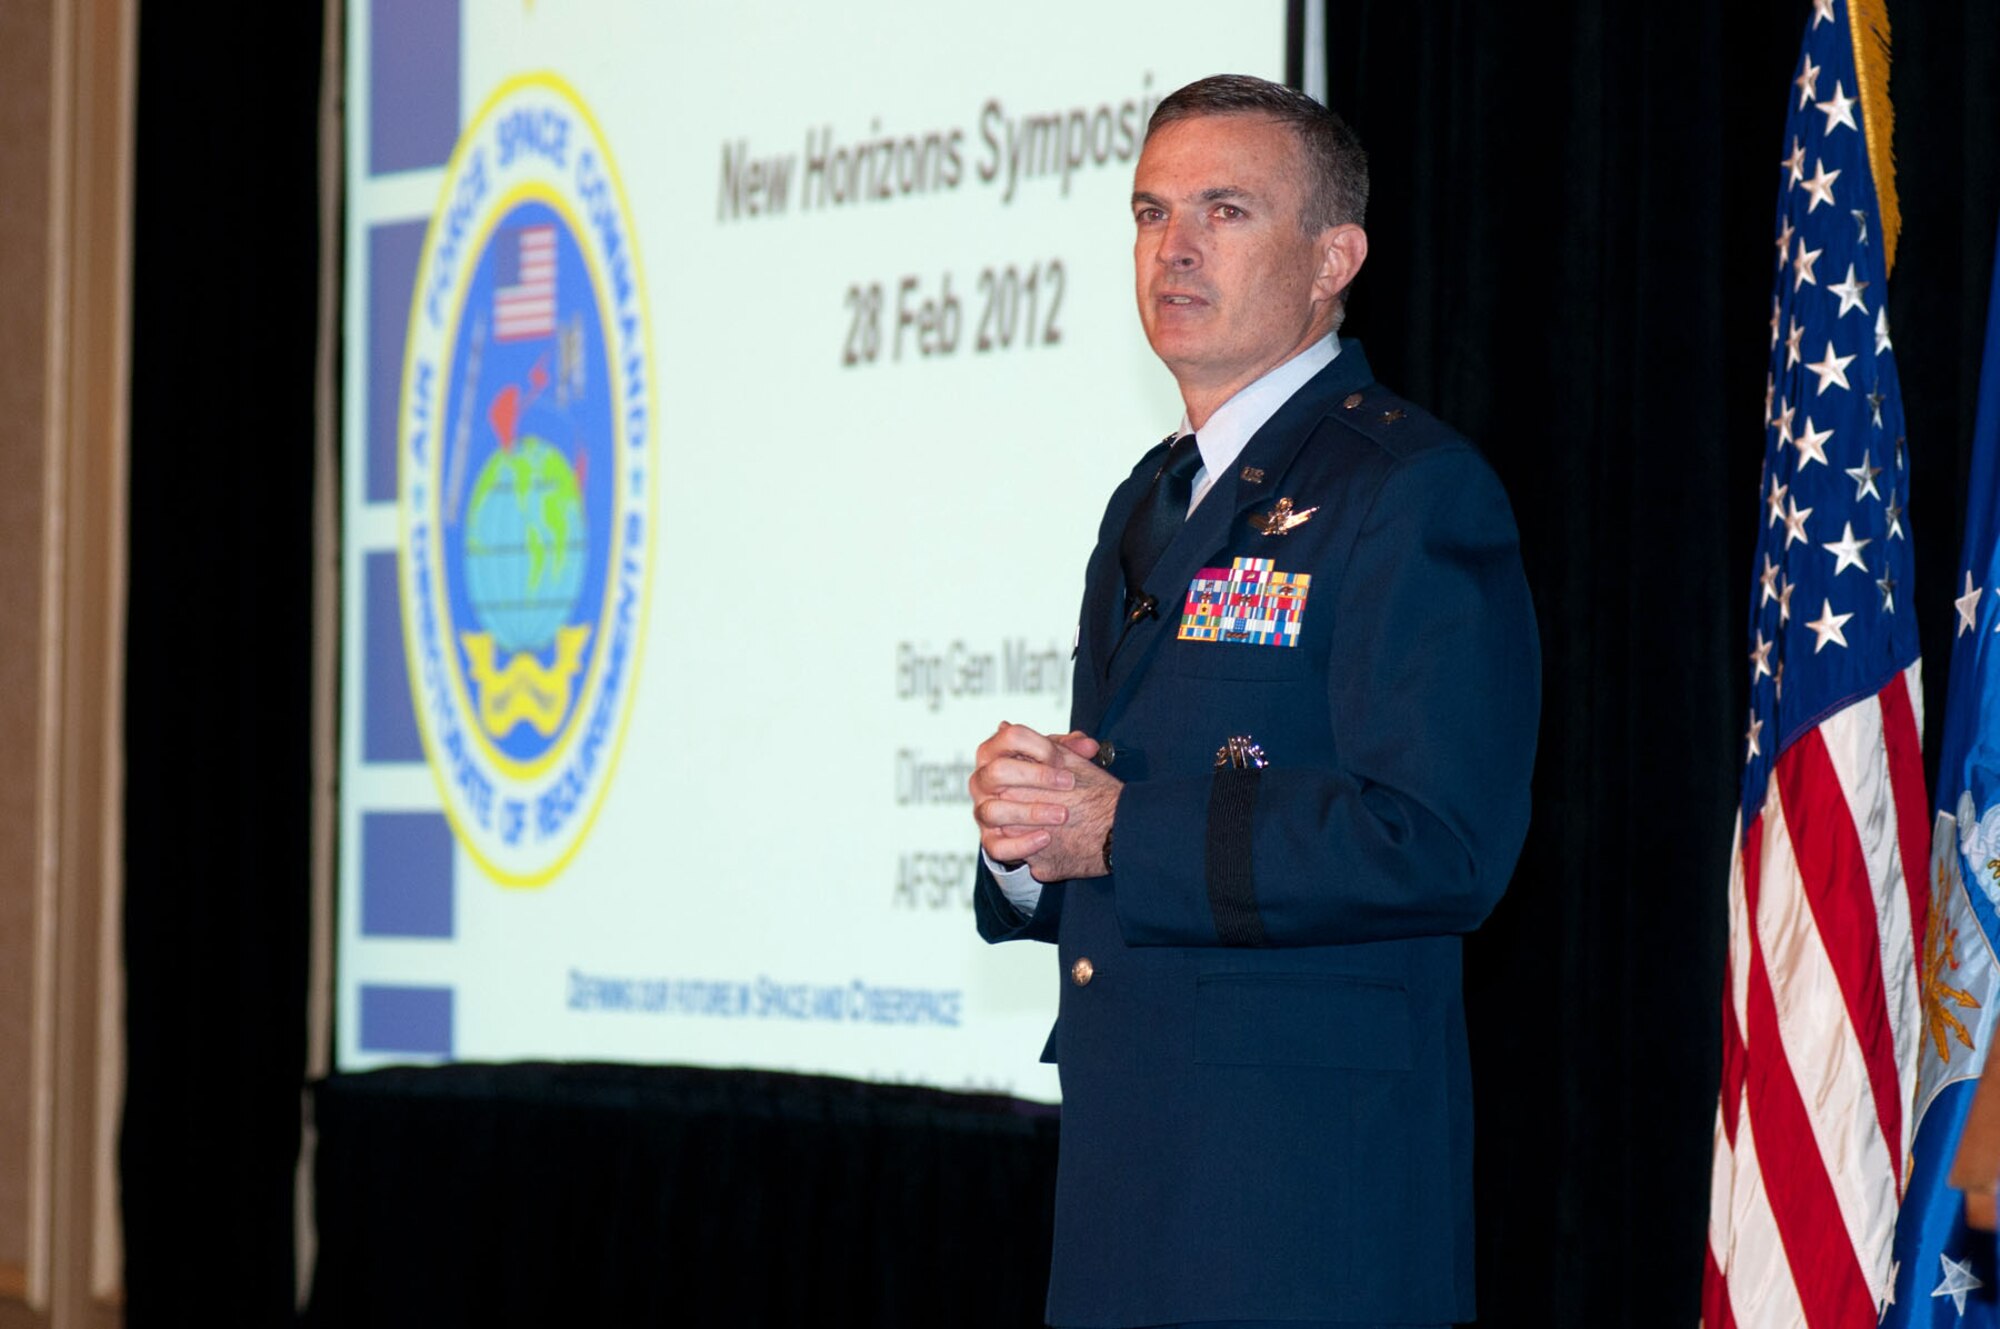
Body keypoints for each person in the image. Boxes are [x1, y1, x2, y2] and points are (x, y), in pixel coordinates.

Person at [967, 74, 1539, 1329]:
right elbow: (1113, 810)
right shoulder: (1148, 499)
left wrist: (1121, 828)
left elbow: (1438, 843)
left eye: (1223, 211)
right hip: (1130, 1186)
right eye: (1149, 211)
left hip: (1300, 1204)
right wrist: (1027, 840)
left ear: (1333, 257)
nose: (1172, 249)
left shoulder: (1408, 490)